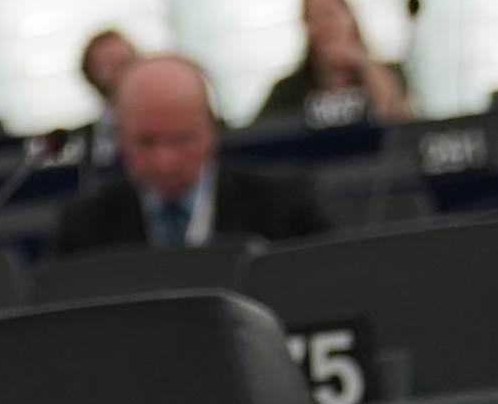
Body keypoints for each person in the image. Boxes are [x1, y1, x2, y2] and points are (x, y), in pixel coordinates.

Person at [52, 55, 336, 254]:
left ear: (213, 131)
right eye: (146, 142)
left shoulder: (284, 209)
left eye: (181, 139)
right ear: (120, 138)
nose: (165, 161)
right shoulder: (84, 230)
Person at [253, 0, 413, 131]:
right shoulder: (287, 90)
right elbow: (254, 141)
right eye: (313, 18)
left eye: (330, 14)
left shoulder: (387, 73)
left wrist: (364, 64)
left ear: (351, 18)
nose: (325, 25)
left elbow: (401, 125)